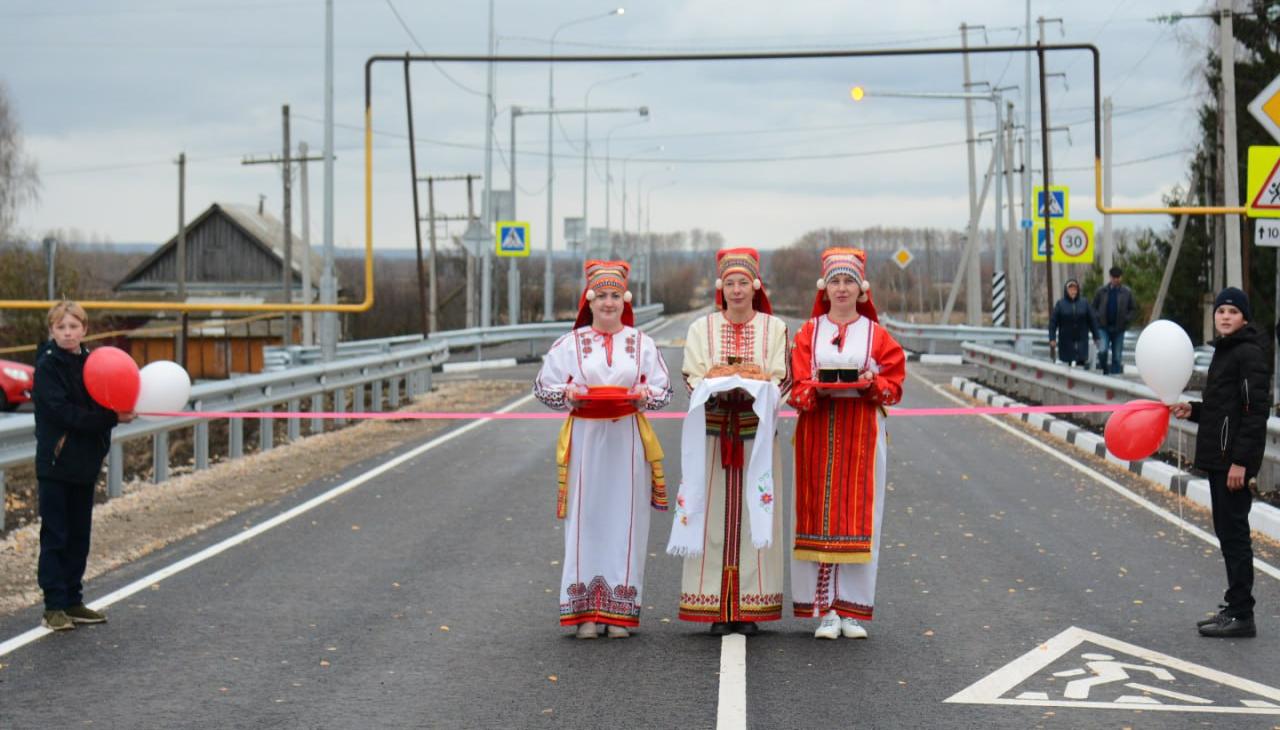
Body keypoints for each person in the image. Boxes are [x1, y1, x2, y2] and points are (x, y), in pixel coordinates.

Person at [533, 261, 673, 639]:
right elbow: (543, 387)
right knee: (586, 519)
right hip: (586, 441)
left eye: (615, 295)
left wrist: (645, 395)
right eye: (602, 296)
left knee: (626, 521)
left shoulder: (642, 343)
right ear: (590, 300)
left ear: (624, 299)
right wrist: (568, 394)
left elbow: (663, 390)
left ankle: (619, 610)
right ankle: (585, 613)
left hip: (627, 440)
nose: (609, 303)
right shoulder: (569, 344)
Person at [668, 248, 789, 636]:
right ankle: (716, 604)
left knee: (756, 513)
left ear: (755, 286)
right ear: (721, 287)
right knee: (712, 515)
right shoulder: (702, 329)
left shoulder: (775, 329)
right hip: (714, 431)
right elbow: (693, 373)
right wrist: (716, 387)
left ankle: (751, 604)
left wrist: (757, 389)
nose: (737, 291)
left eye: (743, 283)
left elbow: (781, 377)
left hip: (756, 435)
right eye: (730, 283)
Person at [788, 248, 905, 640]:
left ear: (861, 289)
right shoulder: (809, 332)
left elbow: (895, 381)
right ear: (825, 287)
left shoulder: (876, 334)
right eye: (835, 281)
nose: (842, 289)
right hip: (818, 430)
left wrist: (873, 385)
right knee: (819, 514)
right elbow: (798, 383)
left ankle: (853, 609)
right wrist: (813, 391)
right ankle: (825, 609)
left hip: (862, 434)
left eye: (848, 282)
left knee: (859, 515)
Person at [1171, 287, 1271, 638]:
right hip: (1220, 458)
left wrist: (1241, 463)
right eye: (1221, 311)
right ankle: (1234, 605)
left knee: (1235, 535)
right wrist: (1194, 410)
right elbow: (1223, 409)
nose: (1225, 316)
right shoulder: (1226, 353)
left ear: (1244, 317)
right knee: (1227, 534)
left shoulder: (1249, 355)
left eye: (1232, 311)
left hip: (1233, 463)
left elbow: (1254, 413)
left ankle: (1243, 614)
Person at [34, 301, 136, 631]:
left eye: (73, 327)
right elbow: (64, 413)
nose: (67, 333)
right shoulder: (48, 367)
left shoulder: (93, 362)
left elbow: (105, 398)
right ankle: (54, 606)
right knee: (56, 535)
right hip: (56, 464)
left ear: (84, 329)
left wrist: (117, 412)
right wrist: (110, 418)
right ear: (52, 330)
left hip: (85, 463)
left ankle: (74, 600)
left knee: (80, 536)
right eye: (61, 327)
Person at [1091, 266, 1135, 374]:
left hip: (1119, 329)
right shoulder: (1101, 291)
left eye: (1118, 277)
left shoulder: (1127, 292)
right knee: (1102, 351)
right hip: (1103, 328)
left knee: (1117, 356)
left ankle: (1115, 378)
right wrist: (1098, 317)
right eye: (1114, 277)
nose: (1116, 279)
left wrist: (1126, 319)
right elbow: (1093, 307)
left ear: (1121, 278)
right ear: (1110, 277)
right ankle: (1105, 369)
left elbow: (1132, 309)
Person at [1049, 278, 1100, 367]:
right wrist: (1052, 338)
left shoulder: (1084, 303)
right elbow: (1053, 323)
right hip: (1066, 341)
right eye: (1070, 289)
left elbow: (1092, 320)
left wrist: (1096, 336)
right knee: (1067, 365)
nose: (1073, 291)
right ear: (1066, 290)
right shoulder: (1060, 304)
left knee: (1080, 364)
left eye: (1074, 289)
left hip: (1081, 341)